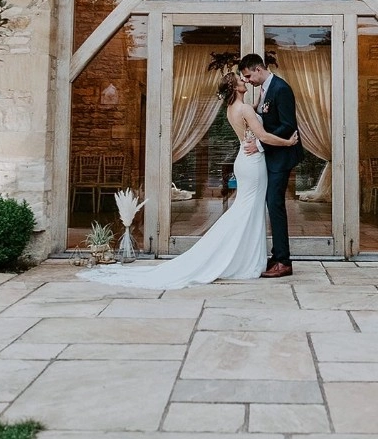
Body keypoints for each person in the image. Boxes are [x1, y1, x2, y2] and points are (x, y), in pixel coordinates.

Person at [76, 72, 298, 290]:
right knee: (249, 209)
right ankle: (240, 257)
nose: (245, 80)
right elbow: (264, 136)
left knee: (248, 209)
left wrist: (261, 97)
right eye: (241, 80)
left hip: (245, 159)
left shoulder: (232, 109)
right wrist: (288, 143)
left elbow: (256, 119)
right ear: (235, 87)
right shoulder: (245, 109)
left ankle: (246, 256)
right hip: (253, 163)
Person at [238, 53, 304, 278]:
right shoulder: (266, 90)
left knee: (275, 205)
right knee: (271, 204)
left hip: (282, 157)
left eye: (248, 76)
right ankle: (276, 256)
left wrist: (259, 143)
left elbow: (288, 125)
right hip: (272, 157)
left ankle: (283, 261)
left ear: (258, 69)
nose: (248, 81)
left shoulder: (281, 88)